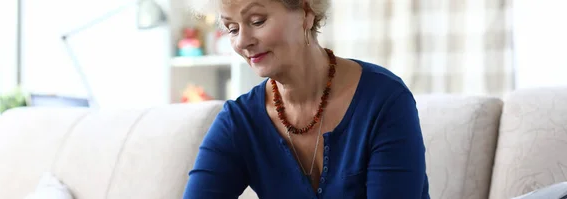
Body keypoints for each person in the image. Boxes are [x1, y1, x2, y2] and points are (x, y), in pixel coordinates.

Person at [183, 0, 430, 198]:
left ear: (305, 12)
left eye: (257, 21)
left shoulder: (384, 99)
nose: (242, 41)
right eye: (232, 29)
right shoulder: (239, 121)